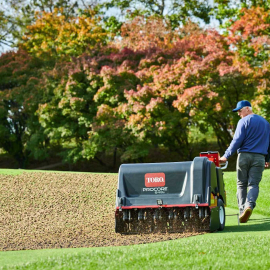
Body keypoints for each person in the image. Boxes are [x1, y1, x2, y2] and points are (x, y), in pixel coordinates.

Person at [219, 100, 270, 223]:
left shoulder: (243, 121)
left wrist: (226, 156)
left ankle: (242, 210)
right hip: (259, 157)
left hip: (244, 156)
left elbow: (236, 141)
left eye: (240, 111)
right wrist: (268, 159)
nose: (239, 114)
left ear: (247, 108)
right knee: (253, 184)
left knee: (241, 184)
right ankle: (249, 205)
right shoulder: (266, 123)